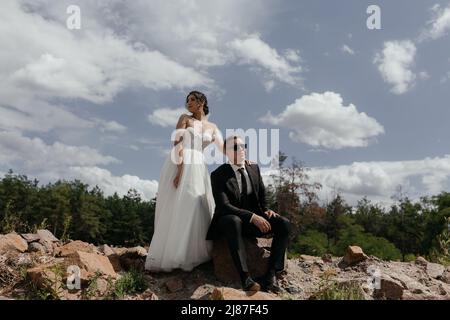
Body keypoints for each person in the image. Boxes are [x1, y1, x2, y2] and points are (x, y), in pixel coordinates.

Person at [145, 91, 223, 272]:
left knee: (196, 204)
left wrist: (242, 158)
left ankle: (192, 255)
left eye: (192, 100)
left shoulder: (213, 126)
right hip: (181, 161)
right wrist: (180, 169)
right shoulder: (184, 118)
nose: (188, 103)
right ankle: (172, 255)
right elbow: (177, 144)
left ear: (202, 102)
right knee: (177, 205)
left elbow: (223, 148)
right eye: (187, 100)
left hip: (198, 166)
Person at [206, 135, 291, 292]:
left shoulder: (253, 168)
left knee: (283, 223)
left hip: (251, 222)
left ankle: (271, 275)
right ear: (225, 151)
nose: (241, 150)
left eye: (243, 146)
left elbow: (261, 193)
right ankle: (245, 277)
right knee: (233, 220)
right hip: (228, 222)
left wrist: (265, 209)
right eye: (235, 147)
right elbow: (224, 206)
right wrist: (252, 216)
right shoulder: (218, 175)